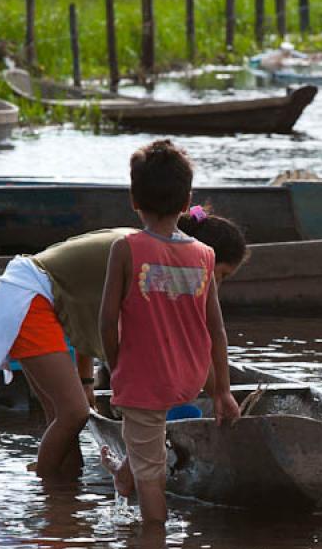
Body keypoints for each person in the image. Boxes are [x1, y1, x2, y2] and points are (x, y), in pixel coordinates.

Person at [0, 147, 247, 485]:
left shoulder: (149, 250)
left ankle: (64, 510)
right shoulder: (138, 254)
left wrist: (87, 381)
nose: (214, 286)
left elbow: (83, 306)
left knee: (63, 416)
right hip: (28, 297)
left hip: (44, 298)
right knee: (73, 412)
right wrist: (221, 390)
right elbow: (98, 318)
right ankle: (45, 496)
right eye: (217, 276)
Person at [99, 139, 241, 525]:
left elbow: (106, 321)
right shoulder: (205, 255)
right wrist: (223, 390)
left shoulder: (125, 248)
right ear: (186, 202)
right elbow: (217, 328)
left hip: (144, 381)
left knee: (153, 479)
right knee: (146, 446)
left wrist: (116, 367)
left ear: (133, 199)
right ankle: (124, 476)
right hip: (188, 377)